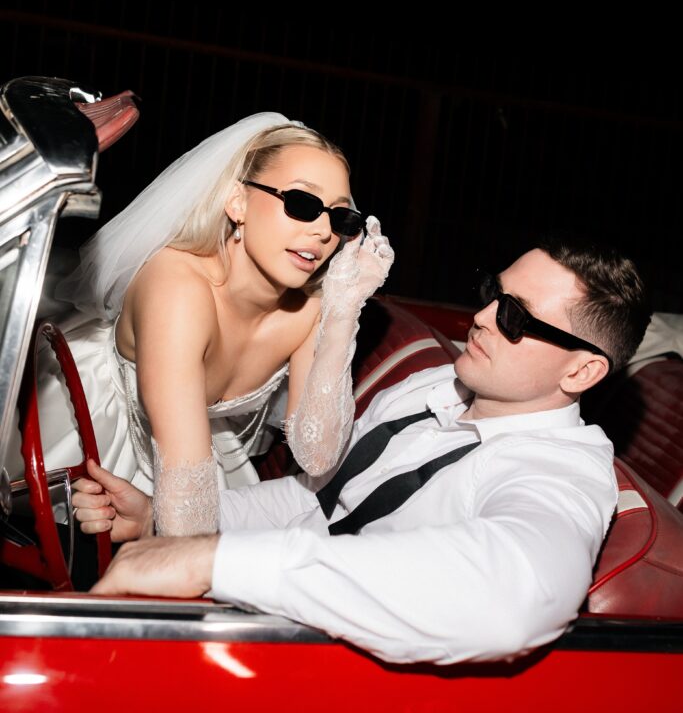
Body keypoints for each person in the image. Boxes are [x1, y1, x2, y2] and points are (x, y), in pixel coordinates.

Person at [82, 240, 650, 666]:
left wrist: (212, 561)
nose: (481, 317)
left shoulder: (561, 470)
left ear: (582, 370)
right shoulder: (433, 387)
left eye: (516, 317)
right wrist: (161, 515)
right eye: (492, 294)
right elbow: (316, 500)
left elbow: (512, 599)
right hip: (263, 624)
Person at [7, 112, 393, 538]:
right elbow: (187, 508)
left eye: (340, 219)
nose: (323, 232)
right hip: (90, 428)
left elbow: (317, 456)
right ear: (238, 203)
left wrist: (343, 314)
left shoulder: (313, 309)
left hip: (199, 451)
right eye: (301, 204)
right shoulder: (177, 286)